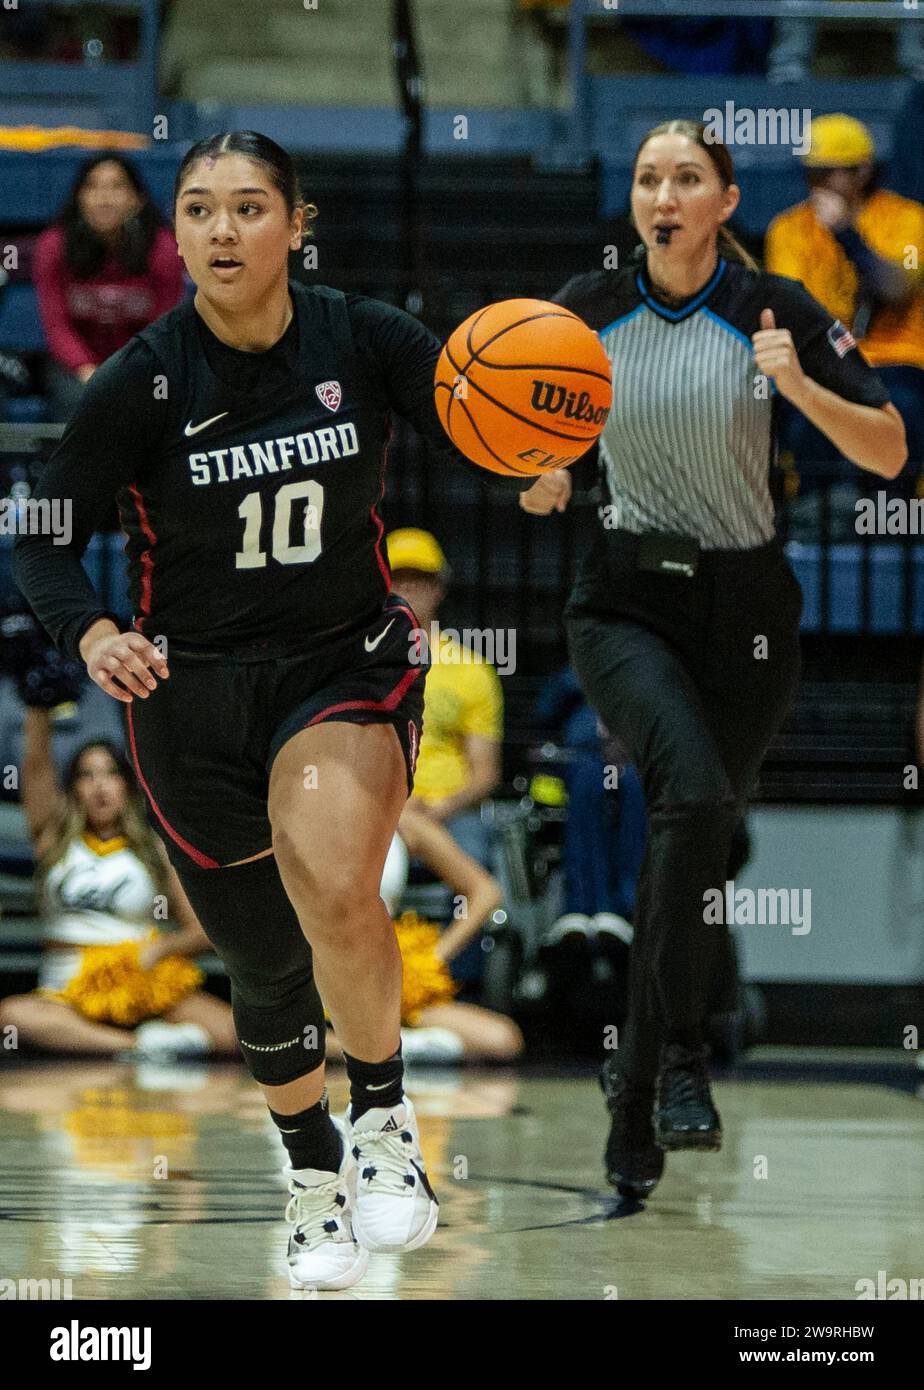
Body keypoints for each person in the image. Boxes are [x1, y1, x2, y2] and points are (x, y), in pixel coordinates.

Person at [12, 129, 523, 1291]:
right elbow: (42, 530)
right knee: (261, 964)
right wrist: (91, 630)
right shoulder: (143, 375)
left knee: (335, 875)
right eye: (198, 209)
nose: (222, 229)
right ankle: (310, 1170)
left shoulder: (362, 336)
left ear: (297, 226)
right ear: (176, 233)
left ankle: (386, 1121)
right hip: (187, 692)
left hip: (339, 661)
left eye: (249, 208)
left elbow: (476, 409)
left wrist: (532, 458)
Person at [518, 118, 906, 1200]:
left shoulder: (774, 310)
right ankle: (673, 1059)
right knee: (688, 800)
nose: (664, 194)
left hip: (746, 610)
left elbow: (891, 451)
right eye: (647, 177)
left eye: (688, 176)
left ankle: (636, 1082)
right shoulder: (583, 308)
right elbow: (524, 438)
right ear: (634, 202)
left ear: (726, 201)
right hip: (626, 600)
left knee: (694, 846)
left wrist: (806, 393)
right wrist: (542, 475)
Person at [0, 711, 238, 1062]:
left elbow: (203, 931)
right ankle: (141, 1047)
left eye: (111, 773)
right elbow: (35, 766)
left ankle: (344, 1053)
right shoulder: (54, 839)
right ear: (73, 787)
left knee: (239, 1032)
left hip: (145, 981)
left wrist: (154, 952)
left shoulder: (153, 849)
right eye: (86, 775)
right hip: (66, 988)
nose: (99, 785)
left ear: (127, 783)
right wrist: (41, 707)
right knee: (12, 1019)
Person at [764, 115, 924, 508]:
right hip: (824, 361)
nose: (814, 185)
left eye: (826, 174)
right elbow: (790, 309)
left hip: (896, 360)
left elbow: (897, 288)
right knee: (801, 406)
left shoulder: (907, 220)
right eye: (809, 174)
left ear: (862, 171)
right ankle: (814, 514)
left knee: (899, 406)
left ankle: (892, 520)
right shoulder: (788, 228)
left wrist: (847, 235)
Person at [325, 803, 524, 1065]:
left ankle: (383, 1051)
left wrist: (433, 958)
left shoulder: (404, 823)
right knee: (280, 1037)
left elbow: (484, 892)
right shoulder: (306, 820)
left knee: (502, 1039)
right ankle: (391, 1050)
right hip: (323, 973)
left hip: (389, 974)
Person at [32, 153, 185, 421]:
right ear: (79, 198)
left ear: (138, 200)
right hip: (76, 368)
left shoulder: (164, 249)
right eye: (92, 186)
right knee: (78, 400)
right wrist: (88, 371)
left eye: (117, 187)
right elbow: (57, 326)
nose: (104, 197)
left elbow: (163, 327)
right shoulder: (53, 246)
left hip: (144, 364)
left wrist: (127, 374)